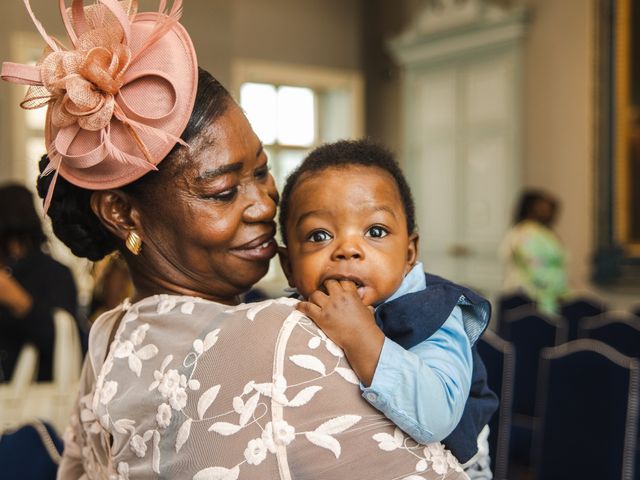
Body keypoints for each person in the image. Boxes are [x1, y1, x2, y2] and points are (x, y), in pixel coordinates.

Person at [1, 2, 469, 478]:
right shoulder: (284, 337)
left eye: (264, 170)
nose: (266, 205)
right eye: (223, 192)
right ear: (122, 213)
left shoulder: (108, 336)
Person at [277, 139, 498, 478]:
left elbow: (436, 417)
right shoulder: (292, 315)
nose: (348, 249)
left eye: (375, 231)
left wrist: (360, 336)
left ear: (410, 253)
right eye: (319, 236)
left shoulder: (436, 312)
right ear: (289, 264)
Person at [0, 183, 77, 382]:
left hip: (36, 394)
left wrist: (19, 302)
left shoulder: (52, 273)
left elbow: (63, 337)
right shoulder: (57, 272)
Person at [500, 189, 569, 314]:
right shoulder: (524, 233)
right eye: (543, 208)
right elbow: (534, 268)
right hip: (530, 296)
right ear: (530, 208)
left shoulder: (546, 233)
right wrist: (556, 289)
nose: (549, 212)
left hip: (551, 295)